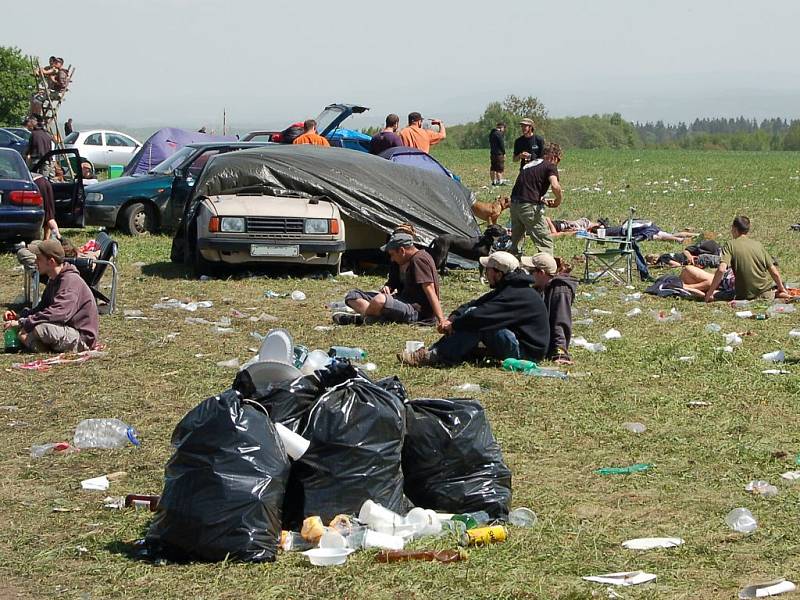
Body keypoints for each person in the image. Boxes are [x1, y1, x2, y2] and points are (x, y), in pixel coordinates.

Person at [398, 251, 550, 366]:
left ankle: (436, 356)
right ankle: (435, 352)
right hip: (517, 342)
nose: (486, 273)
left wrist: (454, 325)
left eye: (488, 269)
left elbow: (479, 316)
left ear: (498, 273)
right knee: (473, 315)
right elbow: (474, 304)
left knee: (478, 321)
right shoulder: (510, 287)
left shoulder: (517, 294)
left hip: (527, 354)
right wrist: (452, 318)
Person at [3, 239, 99, 353]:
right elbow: (42, 307)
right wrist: (19, 316)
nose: (35, 262)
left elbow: (59, 313)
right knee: (28, 328)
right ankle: (35, 343)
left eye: (39, 259)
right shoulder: (54, 279)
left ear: (51, 261)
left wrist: (23, 322)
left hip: (81, 338)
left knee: (40, 328)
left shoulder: (70, 281)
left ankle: (37, 345)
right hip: (65, 328)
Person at [335, 232, 444, 326]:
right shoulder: (399, 262)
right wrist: (388, 287)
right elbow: (393, 282)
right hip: (401, 300)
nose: (391, 258)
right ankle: (372, 317)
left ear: (402, 251)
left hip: (415, 310)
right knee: (352, 295)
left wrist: (441, 319)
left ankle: (363, 318)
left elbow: (430, 290)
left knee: (379, 300)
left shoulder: (419, 260)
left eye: (392, 254)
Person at [704, 216, 788, 302]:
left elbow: (721, 270)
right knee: (772, 291)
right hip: (764, 292)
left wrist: (710, 293)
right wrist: (781, 288)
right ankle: (785, 295)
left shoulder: (730, 245)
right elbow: (774, 272)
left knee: (714, 293)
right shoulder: (758, 245)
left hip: (743, 295)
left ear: (734, 228)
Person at [522, 253, 577, 364]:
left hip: (548, 345)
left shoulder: (560, 290)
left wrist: (560, 352)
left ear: (541, 273)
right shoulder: (539, 288)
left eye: (531, 271)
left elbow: (560, 321)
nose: (528, 274)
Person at [509, 143, 563, 256]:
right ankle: (546, 270)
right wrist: (558, 200)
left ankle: (512, 268)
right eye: (558, 160)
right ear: (554, 157)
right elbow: (555, 186)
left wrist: (540, 199)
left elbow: (528, 185)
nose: (557, 164)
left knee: (516, 242)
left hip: (514, 204)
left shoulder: (529, 164)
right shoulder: (550, 165)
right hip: (529, 206)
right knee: (545, 242)